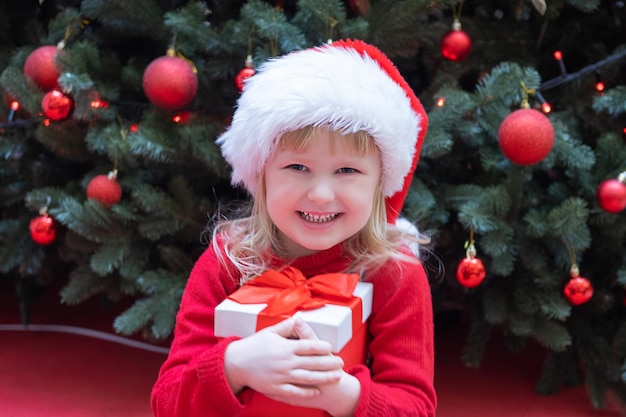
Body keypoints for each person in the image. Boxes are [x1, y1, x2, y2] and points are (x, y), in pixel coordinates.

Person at [151, 39, 436, 417]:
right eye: (297, 168)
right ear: (262, 174)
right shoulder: (228, 260)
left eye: (347, 171)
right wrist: (233, 366)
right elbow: (167, 403)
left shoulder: (394, 273)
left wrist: (341, 396)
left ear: (380, 184)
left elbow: (415, 407)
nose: (319, 194)